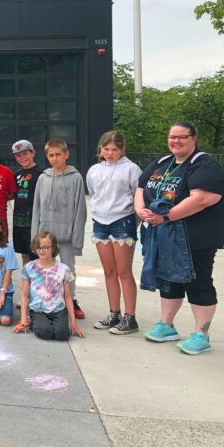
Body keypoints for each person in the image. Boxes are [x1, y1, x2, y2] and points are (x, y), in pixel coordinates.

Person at [136, 121, 224, 355]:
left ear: (193, 138)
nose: (176, 141)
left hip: (194, 237)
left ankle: (201, 333)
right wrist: (141, 211)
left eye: (182, 137)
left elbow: (203, 199)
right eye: (172, 137)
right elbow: (140, 188)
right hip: (162, 236)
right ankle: (166, 325)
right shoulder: (162, 163)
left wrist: (166, 216)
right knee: (169, 280)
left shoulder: (204, 164)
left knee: (197, 281)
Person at [87, 131, 142, 335]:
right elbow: (93, 193)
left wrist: (132, 222)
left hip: (122, 221)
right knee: (108, 271)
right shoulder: (94, 170)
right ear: (100, 150)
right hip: (100, 222)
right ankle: (114, 312)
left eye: (114, 149)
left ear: (122, 150)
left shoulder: (131, 169)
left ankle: (130, 317)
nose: (110, 153)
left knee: (123, 271)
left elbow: (138, 196)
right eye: (106, 149)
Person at [31, 138, 87, 319]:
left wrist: (77, 239)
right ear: (46, 156)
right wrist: (35, 237)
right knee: (45, 268)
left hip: (67, 235)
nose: (55, 158)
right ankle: (46, 299)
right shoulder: (43, 178)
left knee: (68, 269)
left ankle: (71, 299)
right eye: (51, 155)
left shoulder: (76, 177)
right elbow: (36, 208)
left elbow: (80, 210)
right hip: (46, 234)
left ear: (66, 154)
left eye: (58, 154)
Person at [13, 231, 85, 341]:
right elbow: (24, 294)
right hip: (38, 309)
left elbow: (67, 296)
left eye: (46, 247)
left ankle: (55, 324)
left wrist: (74, 322)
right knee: (45, 333)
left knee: (62, 335)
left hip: (58, 309)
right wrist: (23, 318)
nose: (42, 251)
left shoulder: (64, 269)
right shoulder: (29, 267)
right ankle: (33, 321)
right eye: (39, 247)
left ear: (53, 248)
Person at [11, 140, 41, 265]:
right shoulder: (16, 174)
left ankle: (40, 284)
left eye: (25, 154)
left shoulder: (42, 173)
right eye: (18, 155)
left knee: (38, 254)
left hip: (35, 223)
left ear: (33, 153)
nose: (22, 158)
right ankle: (27, 283)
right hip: (19, 222)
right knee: (24, 254)